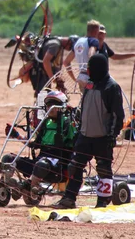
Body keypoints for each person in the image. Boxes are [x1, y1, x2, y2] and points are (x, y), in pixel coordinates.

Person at [53, 54, 125, 209]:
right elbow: (83, 107)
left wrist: (111, 136)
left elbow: (118, 115)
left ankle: (102, 202)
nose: (89, 72)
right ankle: (69, 198)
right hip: (84, 136)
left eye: (91, 69)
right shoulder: (89, 85)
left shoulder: (111, 87)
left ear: (98, 69)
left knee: (103, 169)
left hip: (102, 138)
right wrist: (78, 126)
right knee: (75, 166)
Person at [1, 91, 76, 197]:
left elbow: (74, 143)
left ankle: (29, 187)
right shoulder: (46, 123)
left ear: (62, 107)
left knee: (41, 164)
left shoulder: (68, 123)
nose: (51, 107)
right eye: (49, 104)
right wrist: (16, 135)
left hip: (57, 167)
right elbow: (35, 144)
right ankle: (5, 184)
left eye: (54, 104)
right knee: (8, 158)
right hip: (40, 163)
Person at [63, 20, 100, 92]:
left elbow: (66, 62)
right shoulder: (94, 41)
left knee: (84, 101)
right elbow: (91, 55)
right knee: (94, 101)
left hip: (81, 77)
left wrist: (74, 78)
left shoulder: (78, 42)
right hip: (90, 77)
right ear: (95, 31)